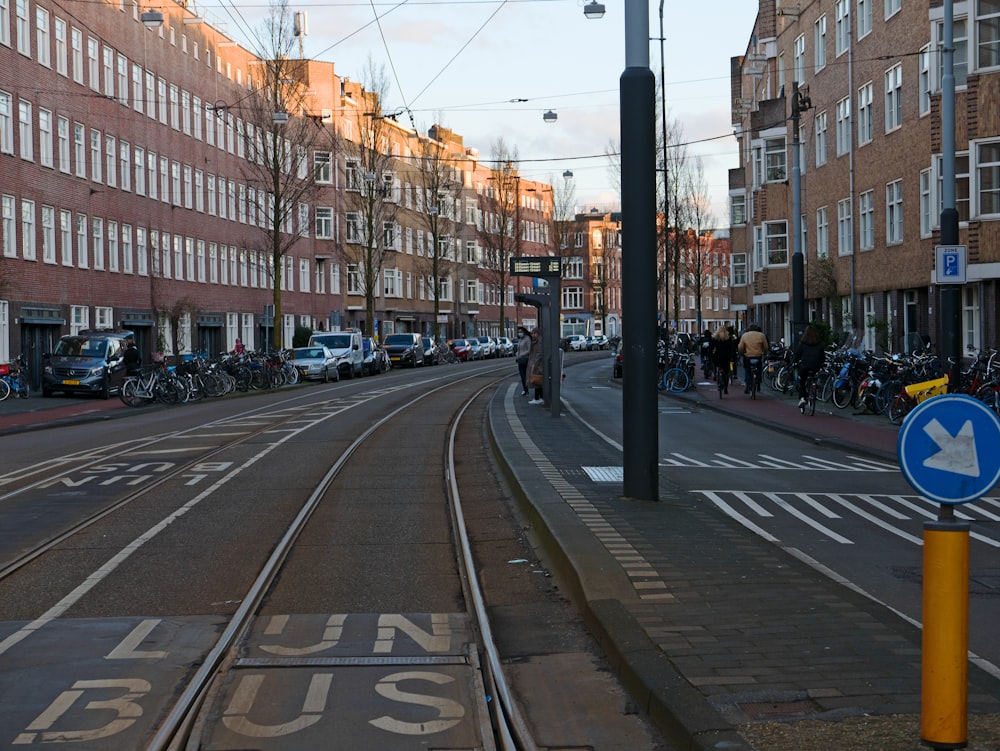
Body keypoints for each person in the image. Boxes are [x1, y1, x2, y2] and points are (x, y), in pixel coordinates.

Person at [793, 325, 825, 411]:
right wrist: (821, 363)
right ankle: (815, 386)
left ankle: (802, 398)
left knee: (802, 382)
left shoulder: (803, 344)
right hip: (815, 367)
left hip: (805, 366)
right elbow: (822, 358)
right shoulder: (820, 344)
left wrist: (794, 361)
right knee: (815, 376)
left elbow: (797, 355)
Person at [737, 323, 769, 394]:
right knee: (759, 368)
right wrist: (765, 352)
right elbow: (766, 346)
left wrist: (742, 353)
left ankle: (748, 385)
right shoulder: (761, 335)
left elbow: (740, 347)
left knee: (747, 369)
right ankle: (758, 382)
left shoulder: (745, 335)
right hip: (758, 356)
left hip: (748, 356)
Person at [708, 325, 736, 394]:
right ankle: (726, 388)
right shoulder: (728, 338)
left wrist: (710, 354)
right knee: (726, 373)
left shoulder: (715, 338)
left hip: (717, 357)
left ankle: (717, 378)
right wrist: (732, 356)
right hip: (726, 357)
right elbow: (732, 348)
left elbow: (711, 348)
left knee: (717, 366)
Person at [527, 328, 544, 405]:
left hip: (538, 364)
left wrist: (535, 363)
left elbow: (539, 353)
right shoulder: (536, 341)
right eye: (532, 333)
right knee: (538, 381)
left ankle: (537, 398)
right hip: (537, 363)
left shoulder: (539, 342)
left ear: (538, 334)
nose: (533, 335)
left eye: (534, 333)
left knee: (536, 380)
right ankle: (540, 397)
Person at [515, 326, 531, 395]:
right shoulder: (520, 339)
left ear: (524, 332)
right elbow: (519, 349)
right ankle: (525, 389)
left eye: (521, 332)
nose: (519, 333)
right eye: (518, 332)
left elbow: (529, 350)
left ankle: (526, 389)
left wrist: (521, 355)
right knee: (522, 375)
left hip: (525, 359)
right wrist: (517, 354)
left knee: (525, 375)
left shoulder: (527, 339)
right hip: (520, 359)